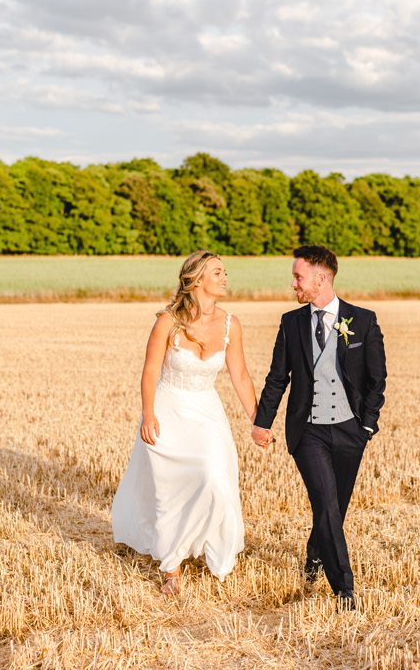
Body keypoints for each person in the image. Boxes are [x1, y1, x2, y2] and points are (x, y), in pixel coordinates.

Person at [251, 244, 388, 611]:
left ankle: (314, 555)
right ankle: (344, 589)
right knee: (326, 503)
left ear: (320, 278)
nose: (293, 283)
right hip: (307, 430)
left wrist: (368, 426)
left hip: (349, 431)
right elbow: (277, 378)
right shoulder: (290, 323)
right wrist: (261, 423)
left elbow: (377, 379)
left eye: (298, 276)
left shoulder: (363, 320)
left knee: (334, 508)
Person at [111, 250, 255, 595]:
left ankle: (209, 546)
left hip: (207, 412)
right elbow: (149, 371)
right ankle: (171, 566)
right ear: (196, 279)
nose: (224, 278)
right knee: (169, 489)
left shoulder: (231, 325)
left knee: (214, 478)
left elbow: (241, 376)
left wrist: (258, 420)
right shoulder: (167, 322)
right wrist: (148, 414)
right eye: (217, 272)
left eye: (224, 272)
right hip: (169, 409)